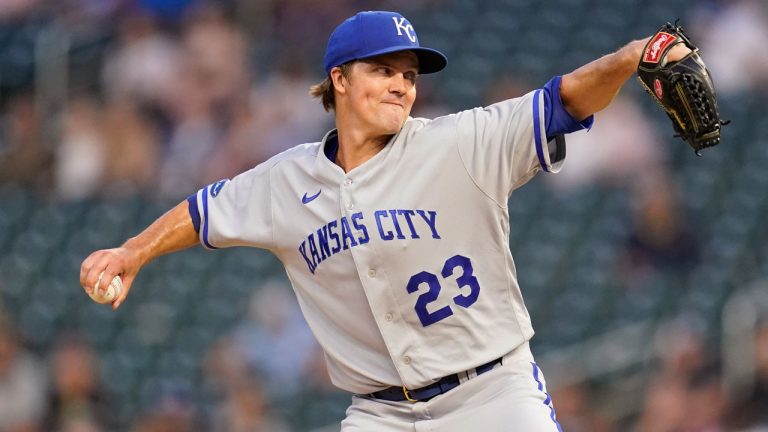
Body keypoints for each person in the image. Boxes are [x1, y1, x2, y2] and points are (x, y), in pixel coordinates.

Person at [80, 10, 691, 431]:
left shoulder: (458, 142)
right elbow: (202, 211)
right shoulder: (285, 181)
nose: (402, 85)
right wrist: (132, 252)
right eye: (383, 70)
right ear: (339, 80)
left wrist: (632, 56)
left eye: (409, 74)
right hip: (378, 414)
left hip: (491, 394)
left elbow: (563, 100)